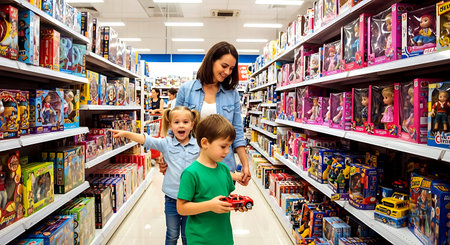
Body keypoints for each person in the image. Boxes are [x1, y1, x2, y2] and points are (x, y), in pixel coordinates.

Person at [110, 106, 202, 245]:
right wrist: (127, 134)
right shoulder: (166, 143)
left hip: (192, 198)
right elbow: (146, 140)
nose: (181, 125)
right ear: (170, 125)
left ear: (192, 124)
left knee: (187, 234)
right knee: (171, 233)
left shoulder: (199, 145)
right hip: (172, 198)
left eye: (185, 122)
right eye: (176, 122)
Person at [175, 41, 251, 186]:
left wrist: (245, 164)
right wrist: (166, 156)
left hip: (224, 167)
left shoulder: (232, 94)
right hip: (191, 164)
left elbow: (237, 132)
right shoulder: (186, 90)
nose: (227, 72)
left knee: (221, 206)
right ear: (211, 61)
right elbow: (174, 129)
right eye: (224, 66)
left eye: (231, 68)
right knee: (192, 206)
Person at [177, 114, 248, 245]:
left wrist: (236, 204)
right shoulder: (191, 173)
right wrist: (210, 205)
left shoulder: (224, 170)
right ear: (205, 143)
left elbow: (225, 197)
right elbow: (181, 208)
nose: (227, 151)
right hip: (200, 239)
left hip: (224, 236)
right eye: (223, 146)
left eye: (229, 146)